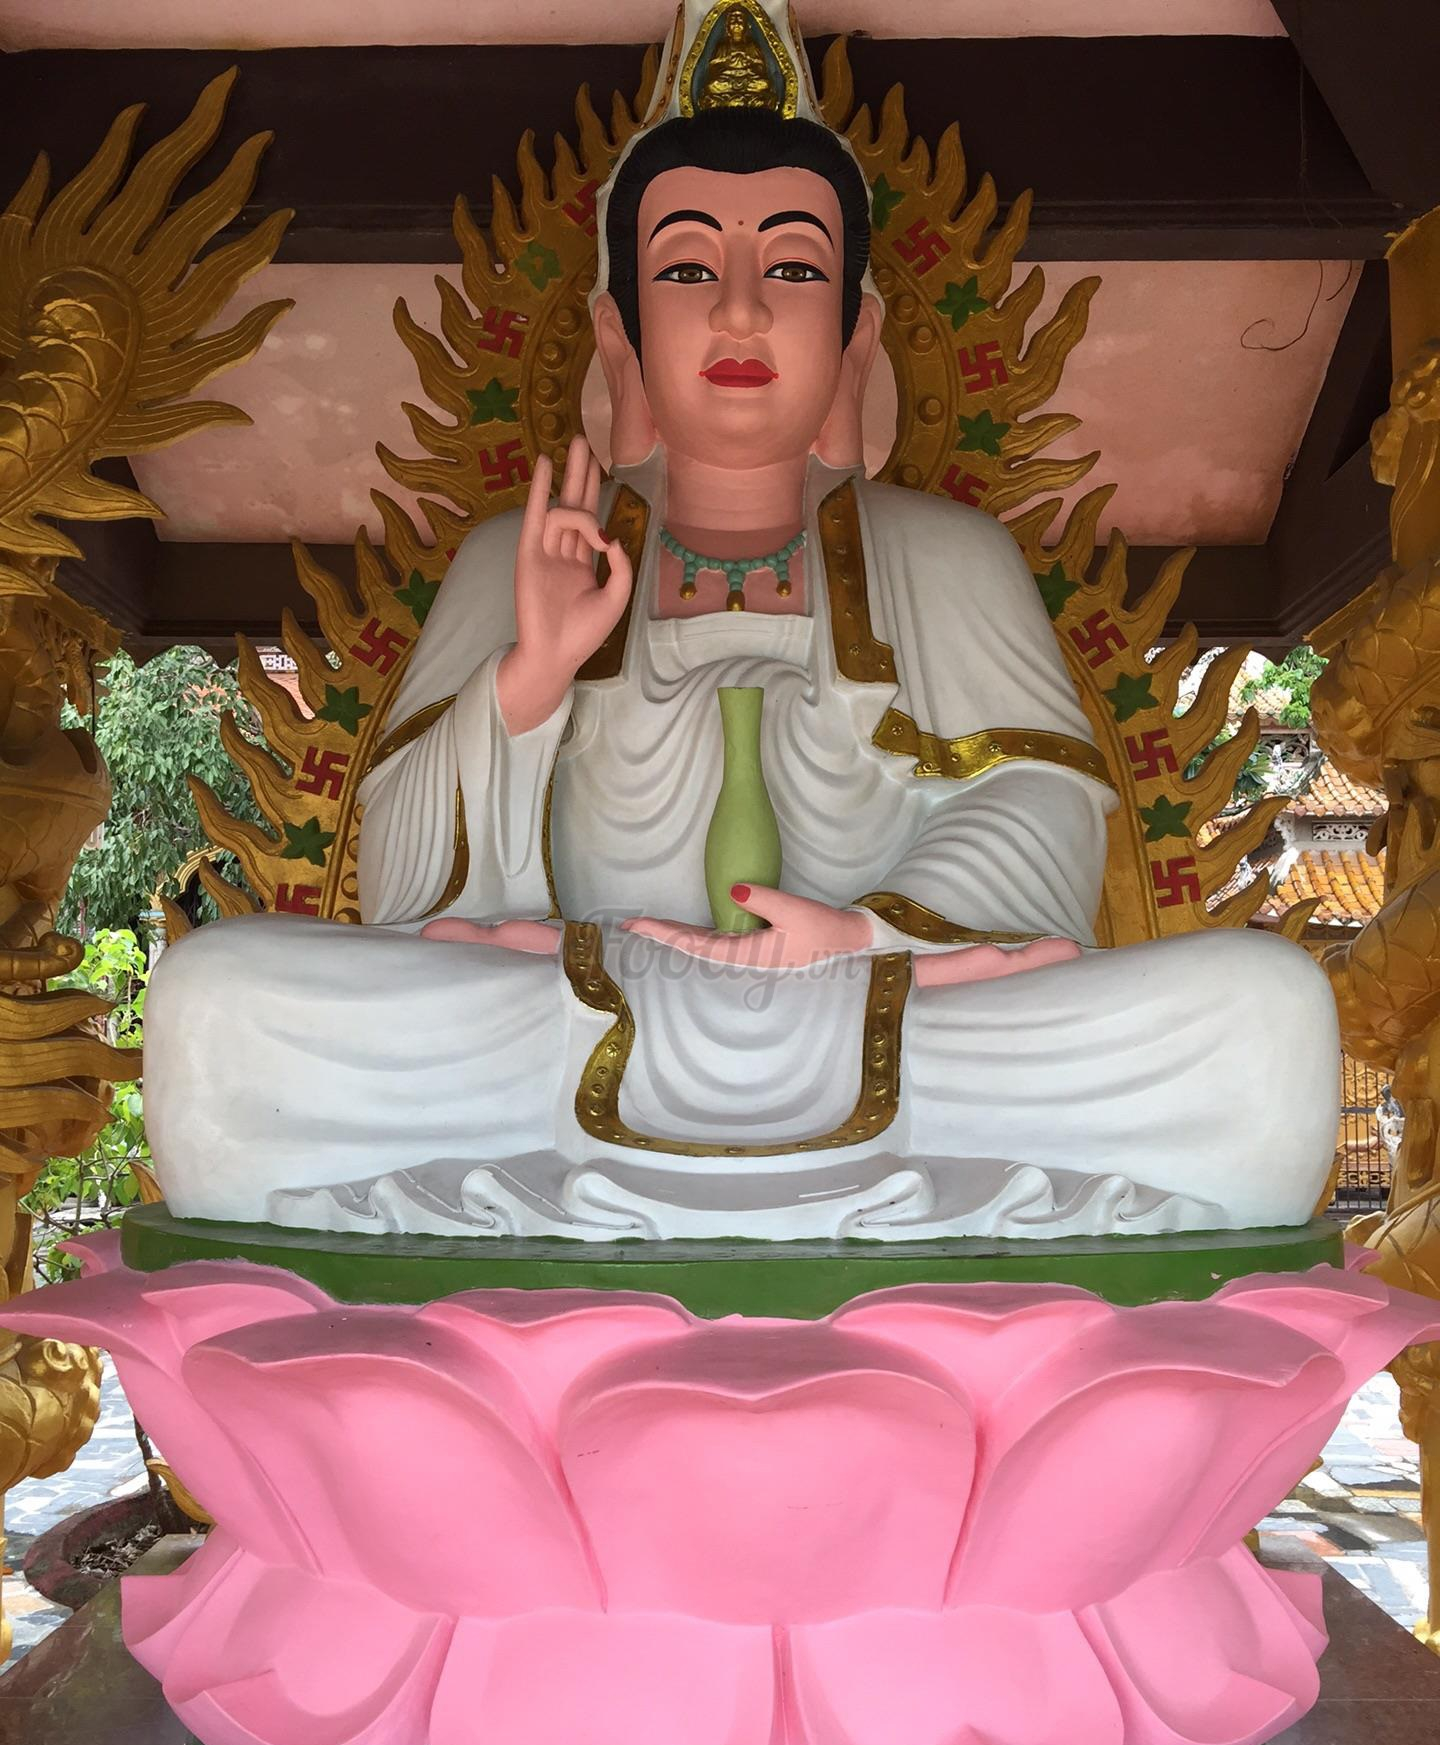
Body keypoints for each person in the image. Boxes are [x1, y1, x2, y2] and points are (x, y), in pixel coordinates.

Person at [144, 82, 1339, 1240]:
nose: (740, 314)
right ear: (619, 332)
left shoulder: (950, 555)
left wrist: (861, 938)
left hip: (890, 1015)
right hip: (564, 1010)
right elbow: (408, 879)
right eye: (685, 270)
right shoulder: (519, 557)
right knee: (219, 999)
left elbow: (1044, 814)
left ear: (856, 334)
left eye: (794, 269)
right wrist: (533, 676)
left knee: (1263, 1011)